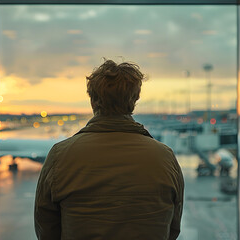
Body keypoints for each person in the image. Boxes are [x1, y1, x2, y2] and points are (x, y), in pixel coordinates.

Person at [34, 59, 184, 240]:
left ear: (93, 101)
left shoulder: (60, 155)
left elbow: (46, 228)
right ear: (134, 100)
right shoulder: (165, 157)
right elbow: (173, 228)